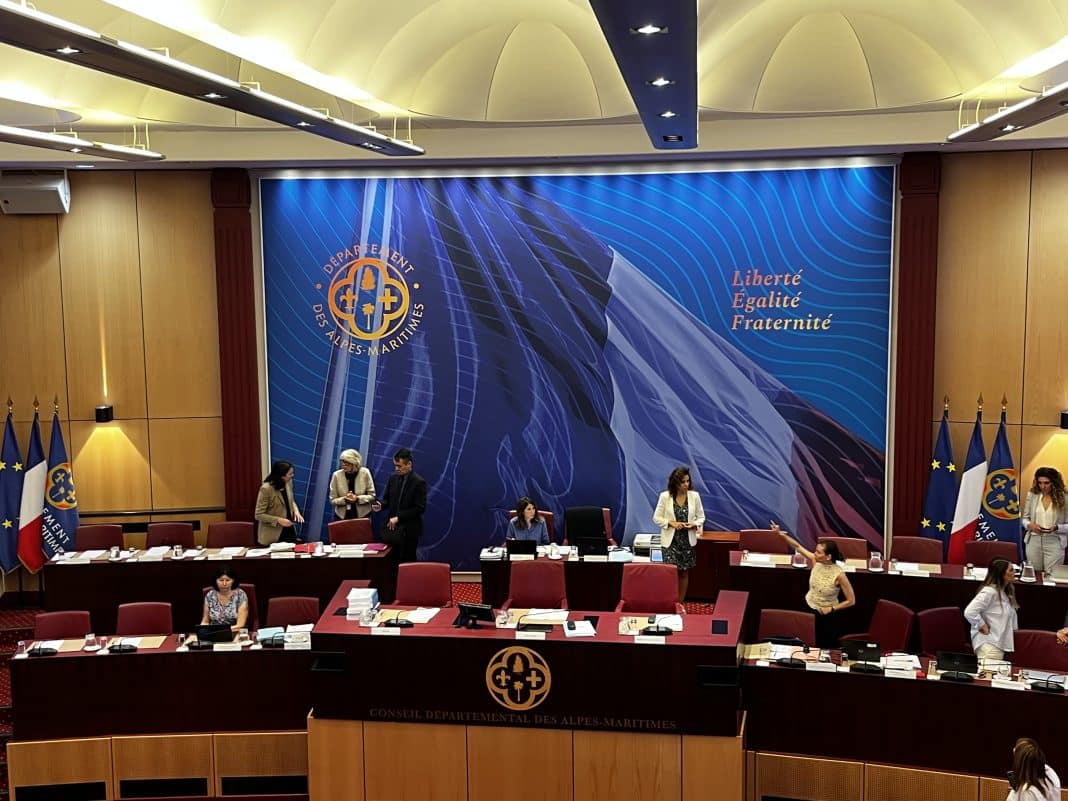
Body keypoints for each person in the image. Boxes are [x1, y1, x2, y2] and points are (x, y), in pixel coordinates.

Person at [772, 523, 856, 649]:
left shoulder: (839, 575)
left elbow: (851, 601)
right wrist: (780, 535)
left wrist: (832, 608)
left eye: (818, 552)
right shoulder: (815, 560)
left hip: (826, 615)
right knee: (804, 642)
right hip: (808, 607)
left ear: (828, 557)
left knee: (823, 646)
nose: (814, 553)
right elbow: (797, 546)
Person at [652, 466, 706, 602]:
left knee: (684, 573)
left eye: (688, 481)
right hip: (671, 541)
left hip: (687, 541)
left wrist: (693, 524)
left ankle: (680, 604)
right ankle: (669, 602)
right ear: (675, 483)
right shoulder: (665, 497)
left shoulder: (695, 496)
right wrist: (671, 523)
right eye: (683, 482)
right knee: (670, 573)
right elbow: (656, 518)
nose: (686, 485)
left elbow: (701, 517)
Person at [371, 448, 427, 563]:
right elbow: (387, 499)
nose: (396, 469)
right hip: (393, 530)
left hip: (409, 530)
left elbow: (419, 508)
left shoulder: (418, 482)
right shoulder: (393, 479)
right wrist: (380, 505)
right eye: (395, 466)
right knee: (391, 562)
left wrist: (399, 517)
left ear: (409, 464)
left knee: (408, 562)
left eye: (399, 466)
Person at [964, 557, 1019, 661]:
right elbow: (970, 611)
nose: (1014, 572)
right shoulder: (989, 592)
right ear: (1001, 574)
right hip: (989, 647)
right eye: (1011, 570)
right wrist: (982, 625)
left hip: (998, 645)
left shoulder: (1004, 591)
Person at [1021, 467, 1068, 573]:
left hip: (1055, 541)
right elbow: (1024, 519)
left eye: (1046, 483)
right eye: (1040, 483)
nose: (1043, 486)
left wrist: (1057, 527)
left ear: (1054, 482)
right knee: (1033, 574)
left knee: (1051, 576)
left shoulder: (1065, 498)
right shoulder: (1033, 495)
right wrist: (1030, 525)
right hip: (1033, 540)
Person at [255, 460, 304, 545]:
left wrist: (296, 510)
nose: (292, 476)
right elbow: (259, 515)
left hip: (289, 530)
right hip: (273, 533)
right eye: (290, 474)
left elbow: (291, 500)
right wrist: (278, 520)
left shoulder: (288, 482)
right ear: (281, 475)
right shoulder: (266, 489)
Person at [329, 449, 375, 520]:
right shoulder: (336, 475)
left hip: (362, 516)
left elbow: (372, 496)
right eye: (343, 462)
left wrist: (357, 499)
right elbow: (332, 500)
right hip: (341, 516)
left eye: (347, 463)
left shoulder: (365, 472)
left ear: (354, 464)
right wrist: (345, 499)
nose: (344, 465)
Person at [200, 566, 248, 631]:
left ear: (233, 581)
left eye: (228, 580)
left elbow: (240, 624)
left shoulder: (240, 595)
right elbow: (205, 621)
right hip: (213, 634)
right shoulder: (210, 595)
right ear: (216, 581)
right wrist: (202, 631)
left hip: (234, 632)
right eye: (221, 580)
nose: (224, 583)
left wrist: (222, 631)